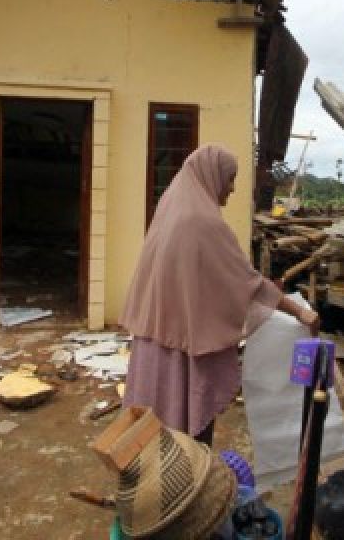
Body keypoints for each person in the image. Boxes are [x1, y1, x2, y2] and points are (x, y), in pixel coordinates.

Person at [120, 144, 320, 446]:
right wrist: (300, 312)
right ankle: (189, 486)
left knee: (154, 436)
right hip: (183, 351)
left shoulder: (169, 211)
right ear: (211, 176)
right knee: (185, 440)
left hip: (153, 346)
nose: (232, 189)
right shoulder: (203, 223)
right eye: (230, 179)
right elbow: (246, 282)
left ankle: (163, 488)